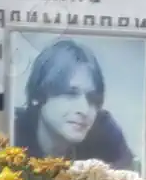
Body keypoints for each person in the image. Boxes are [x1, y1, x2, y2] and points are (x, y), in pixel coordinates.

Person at [12, 39, 138, 172]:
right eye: (70, 94)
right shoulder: (12, 131)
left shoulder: (104, 132)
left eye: (92, 98)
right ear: (38, 95)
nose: (84, 110)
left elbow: (131, 177)